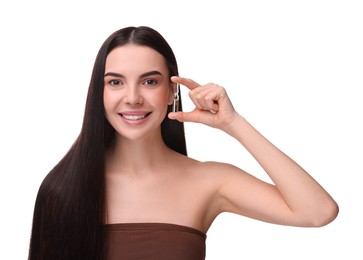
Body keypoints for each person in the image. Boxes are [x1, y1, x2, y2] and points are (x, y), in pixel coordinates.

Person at [28, 26, 339, 260]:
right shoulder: (63, 188)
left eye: (150, 81)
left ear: (170, 92)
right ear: (100, 93)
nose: (133, 97)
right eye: (116, 82)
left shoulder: (210, 181)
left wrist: (234, 124)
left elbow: (317, 211)